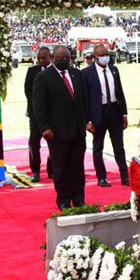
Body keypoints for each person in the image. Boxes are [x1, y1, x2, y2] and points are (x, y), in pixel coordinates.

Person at [33, 45, 92, 211]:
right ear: (53, 58)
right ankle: (64, 200)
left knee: (77, 167)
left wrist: (87, 121)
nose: (64, 61)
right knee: (60, 167)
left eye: (66, 58)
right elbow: (39, 106)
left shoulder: (76, 74)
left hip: (77, 130)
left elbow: (83, 100)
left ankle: (78, 199)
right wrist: (44, 128)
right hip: (57, 132)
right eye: (60, 58)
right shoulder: (43, 77)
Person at [82, 44, 130, 187]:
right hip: (98, 113)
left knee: (119, 146)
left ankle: (125, 176)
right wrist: (88, 120)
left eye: (106, 54)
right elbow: (85, 99)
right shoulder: (87, 73)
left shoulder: (114, 70)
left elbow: (120, 92)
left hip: (114, 111)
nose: (105, 57)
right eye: (102, 55)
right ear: (95, 57)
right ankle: (101, 177)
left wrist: (124, 114)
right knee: (98, 147)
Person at [25, 46, 52, 182]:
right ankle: (35, 171)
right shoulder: (32, 71)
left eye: (43, 58)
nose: (41, 60)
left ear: (50, 57)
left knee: (54, 143)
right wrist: (38, 108)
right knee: (34, 143)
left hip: (53, 114)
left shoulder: (55, 71)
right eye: (39, 58)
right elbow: (28, 92)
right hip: (35, 114)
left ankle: (52, 169)